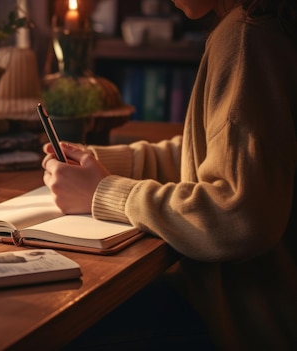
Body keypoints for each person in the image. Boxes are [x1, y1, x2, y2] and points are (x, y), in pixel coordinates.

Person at [42, 0, 297, 349]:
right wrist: (105, 163)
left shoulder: (246, 37)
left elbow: (240, 214)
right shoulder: (266, 26)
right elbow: (211, 148)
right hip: (246, 305)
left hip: (245, 321)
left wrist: (106, 192)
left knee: (59, 322)